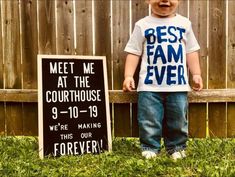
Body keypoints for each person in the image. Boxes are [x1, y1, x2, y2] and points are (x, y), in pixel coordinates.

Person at [122, 0, 203, 160]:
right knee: (148, 119)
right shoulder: (142, 25)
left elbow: (191, 51)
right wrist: (128, 76)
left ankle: (176, 147)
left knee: (178, 119)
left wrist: (196, 74)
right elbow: (134, 52)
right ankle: (150, 147)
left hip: (178, 85)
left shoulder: (184, 24)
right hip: (149, 85)